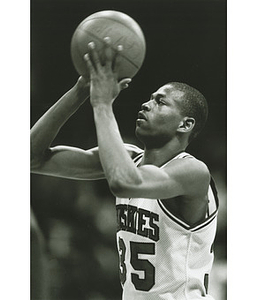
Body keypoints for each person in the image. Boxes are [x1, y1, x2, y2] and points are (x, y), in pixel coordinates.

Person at [31, 37, 219, 300]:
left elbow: (124, 182)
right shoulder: (130, 158)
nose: (146, 104)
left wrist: (102, 104)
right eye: (150, 99)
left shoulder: (193, 172)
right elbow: (32, 158)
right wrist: (80, 92)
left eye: (160, 102)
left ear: (185, 125)